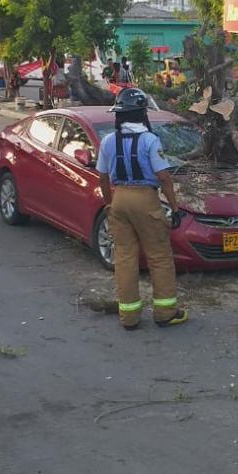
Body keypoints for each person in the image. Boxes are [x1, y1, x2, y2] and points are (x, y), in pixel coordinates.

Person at [95, 88, 188, 329]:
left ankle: (129, 316)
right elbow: (164, 178)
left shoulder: (108, 141)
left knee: (125, 258)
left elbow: (102, 178)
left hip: (120, 199)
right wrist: (175, 208)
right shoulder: (150, 141)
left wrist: (109, 203)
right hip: (146, 199)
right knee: (159, 256)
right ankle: (165, 312)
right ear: (142, 114)